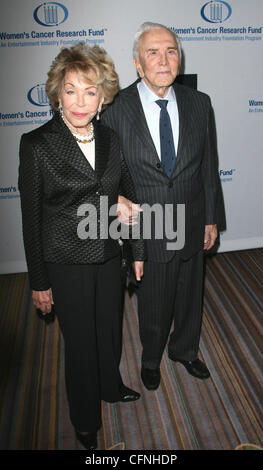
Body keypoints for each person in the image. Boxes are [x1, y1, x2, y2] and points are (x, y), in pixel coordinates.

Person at [18, 42, 145, 450]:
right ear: (57, 92)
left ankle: (110, 385)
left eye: (90, 91)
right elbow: (31, 218)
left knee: (109, 331)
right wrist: (39, 281)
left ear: (103, 96)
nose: (80, 101)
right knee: (80, 343)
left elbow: (127, 195)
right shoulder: (36, 144)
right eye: (71, 90)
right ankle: (85, 418)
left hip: (109, 253)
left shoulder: (110, 138)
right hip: (65, 260)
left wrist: (137, 250)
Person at [102, 22, 225, 391]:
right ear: (138, 64)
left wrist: (212, 219)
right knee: (153, 300)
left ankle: (185, 350)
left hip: (191, 220)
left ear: (179, 58)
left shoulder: (199, 103)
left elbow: (208, 166)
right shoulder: (114, 110)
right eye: (153, 53)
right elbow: (109, 180)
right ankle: (151, 357)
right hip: (149, 229)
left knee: (190, 295)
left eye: (171, 51)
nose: (163, 59)